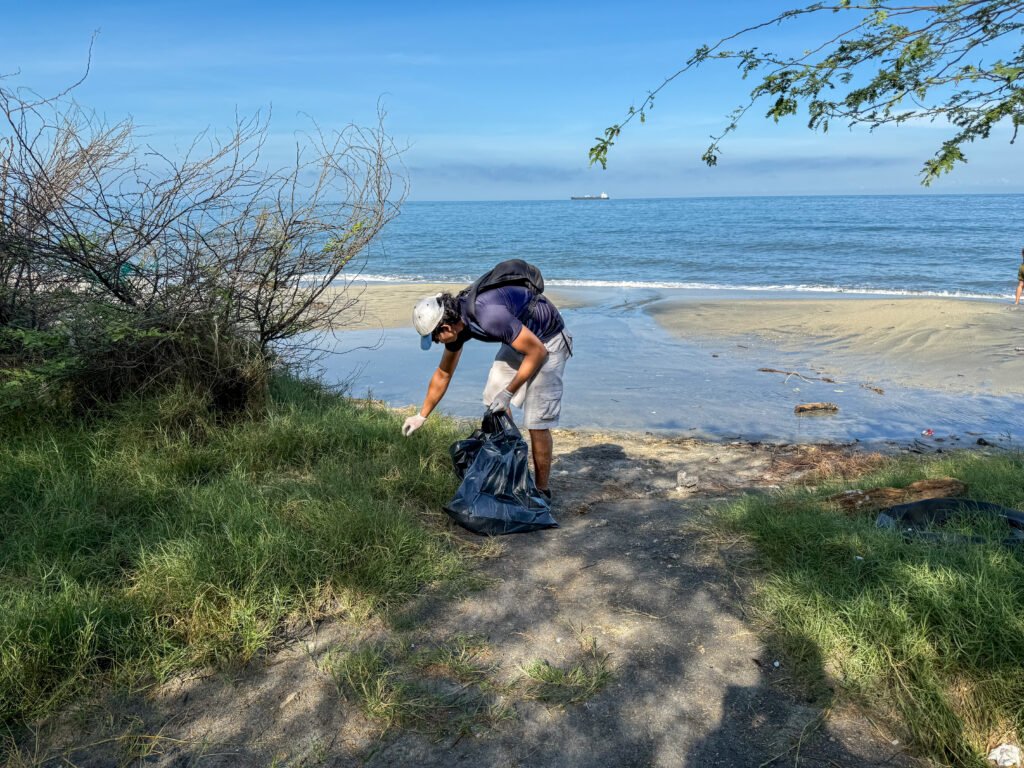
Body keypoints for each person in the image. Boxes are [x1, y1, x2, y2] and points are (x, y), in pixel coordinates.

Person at [401, 280, 572, 499]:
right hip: (519, 337)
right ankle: (512, 468)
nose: (435, 343)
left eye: (434, 338)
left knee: (536, 421)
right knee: (493, 400)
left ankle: (541, 493)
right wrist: (421, 415)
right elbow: (443, 373)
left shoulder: (488, 316)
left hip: (548, 340)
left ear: (445, 328)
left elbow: (537, 352)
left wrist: (509, 392)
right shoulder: (455, 327)